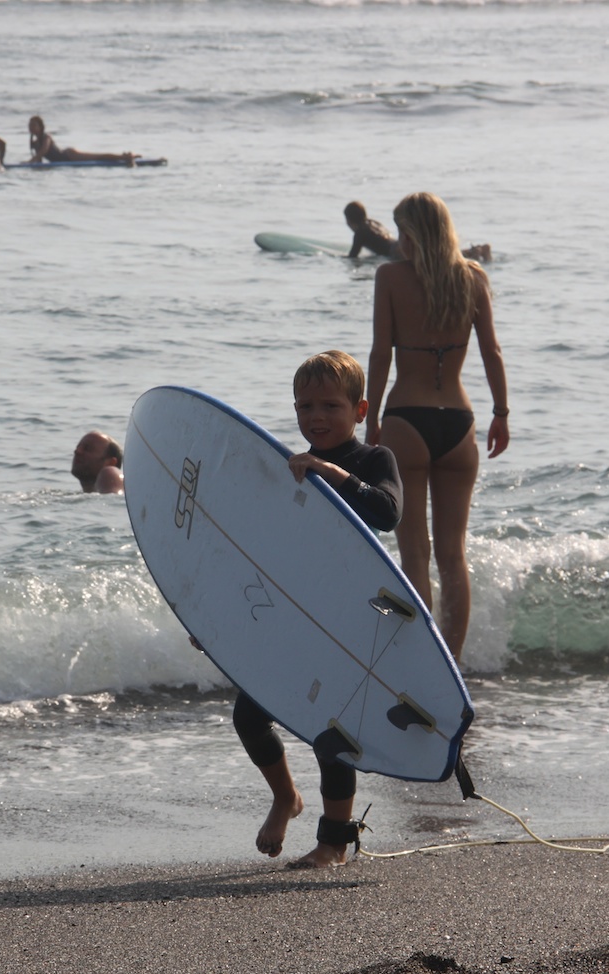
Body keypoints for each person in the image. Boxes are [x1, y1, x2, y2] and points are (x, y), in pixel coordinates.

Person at [232, 350, 403, 868]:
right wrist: (217, 614)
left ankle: (333, 840)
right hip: (293, 614)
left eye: (330, 405)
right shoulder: (288, 470)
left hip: (348, 619)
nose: (316, 417)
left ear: (360, 409)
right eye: (305, 406)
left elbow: (388, 513)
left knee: (331, 732)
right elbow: (263, 552)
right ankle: (286, 796)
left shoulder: (373, 461)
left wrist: (333, 474)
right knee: (248, 714)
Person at [365, 192, 509, 662]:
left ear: (412, 234)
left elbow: (381, 352)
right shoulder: (472, 278)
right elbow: (492, 352)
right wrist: (501, 413)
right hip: (460, 423)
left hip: (407, 419)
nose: (400, 241)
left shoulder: (389, 277)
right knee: (453, 556)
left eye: (401, 231)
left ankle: (422, 665)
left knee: (415, 555)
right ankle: (454, 662)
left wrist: (369, 422)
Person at [344, 200, 492, 263]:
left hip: (395, 252)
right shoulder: (372, 223)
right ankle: (475, 251)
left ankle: (474, 253)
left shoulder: (360, 233)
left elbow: (353, 257)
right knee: (437, 257)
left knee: (435, 259)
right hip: (398, 245)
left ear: (349, 221)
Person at [27, 116, 139, 166]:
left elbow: (44, 150)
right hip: (64, 161)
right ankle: (124, 157)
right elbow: (39, 160)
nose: (31, 127)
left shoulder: (47, 137)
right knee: (99, 157)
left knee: (98, 157)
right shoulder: (35, 143)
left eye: (33, 125)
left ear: (40, 127)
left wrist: (30, 161)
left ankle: (124, 157)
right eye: (29, 125)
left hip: (69, 156)